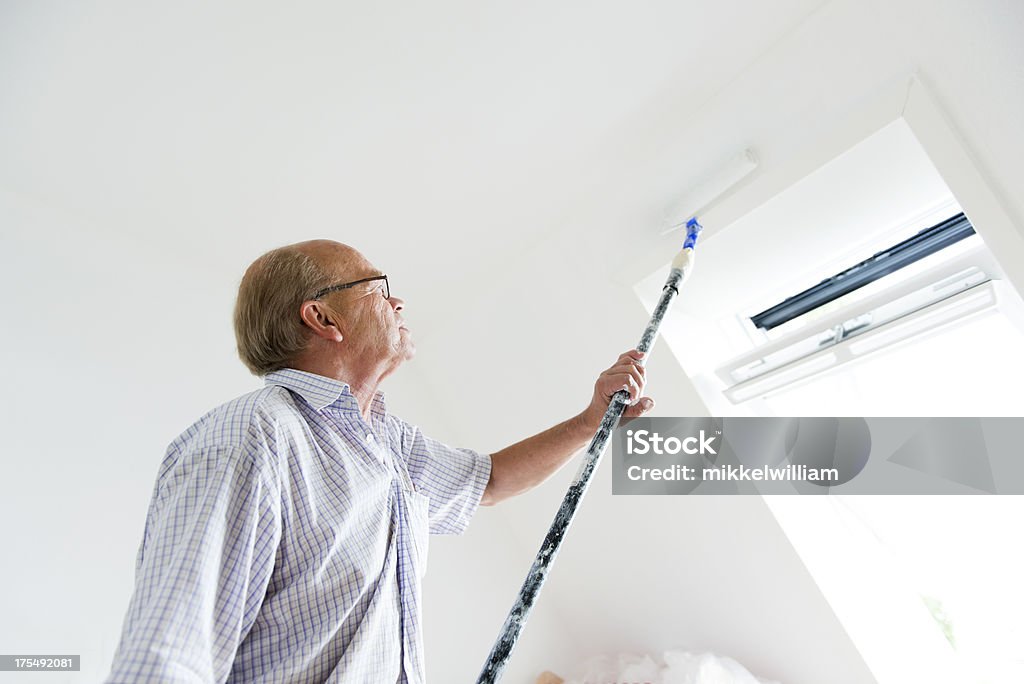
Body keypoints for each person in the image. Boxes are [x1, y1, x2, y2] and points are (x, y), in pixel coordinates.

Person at [106, 240, 654, 683]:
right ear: (322, 317)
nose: (399, 303)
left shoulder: (387, 443)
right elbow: (166, 656)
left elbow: (488, 482)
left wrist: (589, 422)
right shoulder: (250, 438)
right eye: (378, 288)